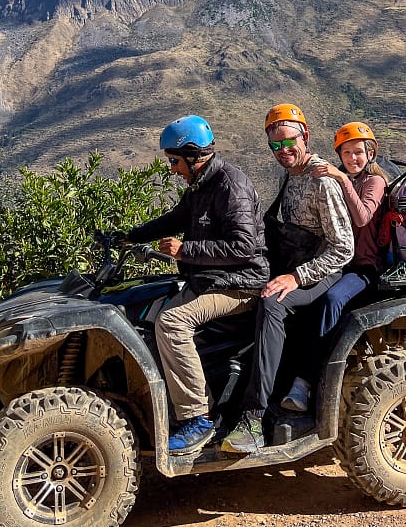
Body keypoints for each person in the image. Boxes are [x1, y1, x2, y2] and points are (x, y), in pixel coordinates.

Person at [126, 115, 270, 455]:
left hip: (241, 284)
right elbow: (176, 218)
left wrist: (185, 250)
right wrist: (131, 235)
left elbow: (244, 246)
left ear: (193, 155)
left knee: (172, 322)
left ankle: (197, 418)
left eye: (174, 160)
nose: (172, 169)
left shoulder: (229, 185)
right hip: (211, 278)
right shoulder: (202, 185)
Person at [221, 104, 354, 454]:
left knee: (272, 304)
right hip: (293, 263)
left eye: (289, 143)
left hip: (323, 270)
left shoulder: (321, 181)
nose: (283, 151)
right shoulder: (291, 174)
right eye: (276, 146)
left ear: (305, 137)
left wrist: (296, 277)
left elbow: (343, 248)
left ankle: (254, 417)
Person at [280, 121, 389, 412]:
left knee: (331, 300)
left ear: (371, 154)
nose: (353, 158)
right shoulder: (345, 180)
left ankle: (310, 382)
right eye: (346, 153)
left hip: (364, 268)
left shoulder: (374, 182)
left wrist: (340, 178)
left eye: (358, 153)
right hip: (339, 264)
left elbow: (364, 216)